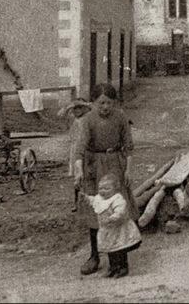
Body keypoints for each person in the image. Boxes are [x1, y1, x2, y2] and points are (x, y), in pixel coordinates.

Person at [74, 85, 138, 276]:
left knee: (117, 210)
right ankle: (94, 256)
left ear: (114, 103)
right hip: (94, 167)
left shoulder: (120, 118)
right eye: (101, 103)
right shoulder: (87, 120)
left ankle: (121, 262)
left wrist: (128, 170)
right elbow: (80, 149)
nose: (105, 107)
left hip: (115, 166)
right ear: (93, 103)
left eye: (109, 103)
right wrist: (79, 171)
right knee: (97, 212)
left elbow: (129, 147)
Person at [84, 175, 141, 278]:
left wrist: (113, 217)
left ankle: (123, 267)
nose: (103, 191)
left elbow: (121, 211)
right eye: (101, 188)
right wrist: (87, 198)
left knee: (119, 249)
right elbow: (94, 201)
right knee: (111, 250)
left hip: (118, 229)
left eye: (107, 188)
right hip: (108, 231)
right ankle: (113, 267)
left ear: (115, 189)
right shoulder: (99, 198)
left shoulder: (117, 199)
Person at [58, 98, 92, 211]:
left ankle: (89, 201)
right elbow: (60, 115)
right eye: (75, 108)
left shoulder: (88, 118)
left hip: (85, 149)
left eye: (79, 108)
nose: (77, 110)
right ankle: (76, 202)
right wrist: (69, 107)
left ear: (84, 109)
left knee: (88, 174)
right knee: (77, 177)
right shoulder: (73, 119)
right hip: (75, 149)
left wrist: (86, 104)